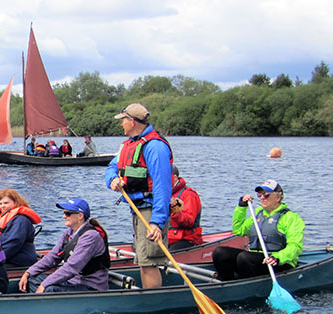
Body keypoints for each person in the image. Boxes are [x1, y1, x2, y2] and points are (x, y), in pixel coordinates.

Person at [105, 103, 173, 289]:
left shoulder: (155, 147)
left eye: (123, 120)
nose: (121, 124)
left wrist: (157, 222)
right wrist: (112, 180)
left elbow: (162, 187)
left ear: (132, 121)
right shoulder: (129, 145)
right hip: (138, 209)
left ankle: (153, 307)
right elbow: (111, 167)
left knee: (148, 261)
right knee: (143, 259)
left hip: (150, 210)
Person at [212, 180, 304, 281]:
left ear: (278, 197)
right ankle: (227, 283)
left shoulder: (291, 218)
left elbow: (295, 247)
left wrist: (277, 258)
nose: (262, 198)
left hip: (278, 262)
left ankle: (248, 285)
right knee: (220, 252)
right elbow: (239, 231)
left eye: (266, 195)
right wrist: (242, 207)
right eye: (260, 195)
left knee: (244, 257)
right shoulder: (257, 213)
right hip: (255, 259)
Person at [18, 198, 109, 293]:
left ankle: (40, 303)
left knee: (49, 289)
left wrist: (44, 285)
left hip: (89, 285)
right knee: (32, 279)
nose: (64, 217)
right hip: (72, 281)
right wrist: (28, 272)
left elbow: (72, 267)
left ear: (80, 216)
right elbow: (52, 257)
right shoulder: (68, 233)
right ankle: (40, 301)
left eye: (68, 214)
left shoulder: (90, 236)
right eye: (64, 213)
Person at [0, 189, 42, 267]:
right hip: (7, 256)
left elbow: (14, 243)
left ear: (16, 202)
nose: (3, 206)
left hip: (20, 260)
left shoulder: (21, 220)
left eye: (6, 203)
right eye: (0, 204)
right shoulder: (4, 218)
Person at [168, 164, 203, 251]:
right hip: (168, 237)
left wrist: (174, 210)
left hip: (186, 238)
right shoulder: (163, 194)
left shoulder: (189, 195)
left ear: (175, 177)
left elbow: (189, 221)